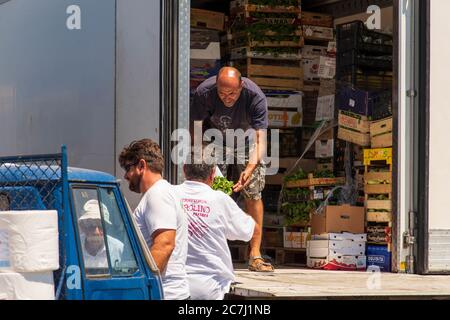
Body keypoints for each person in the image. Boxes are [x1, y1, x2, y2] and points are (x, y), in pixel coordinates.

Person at [190, 66, 273, 272]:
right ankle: (212, 251)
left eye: (232, 93)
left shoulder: (255, 97)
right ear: (215, 87)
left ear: (241, 86)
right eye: (222, 93)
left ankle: (255, 254)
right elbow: (196, 130)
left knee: (253, 193)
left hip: (246, 142)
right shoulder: (204, 93)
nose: (227, 98)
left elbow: (261, 140)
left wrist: (250, 168)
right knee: (214, 192)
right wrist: (203, 160)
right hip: (214, 140)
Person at [175, 152, 256, 300]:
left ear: (184, 170)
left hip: (174, 287)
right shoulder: (220, 199)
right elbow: (248, 231)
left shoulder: (169, 195)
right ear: (213, 174)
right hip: (212, 288)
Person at [119, 139, 190, 300]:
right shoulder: (160, 193)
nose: (125, 175)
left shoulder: (157, 195)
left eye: (127, 168)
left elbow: (165, 244)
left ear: (141, 166)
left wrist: (143, 287)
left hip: (164, 294)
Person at [78, 199, 124, 270]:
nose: (96, 232)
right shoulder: (74, 247)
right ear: (83, 227)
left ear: (106, 228)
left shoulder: (118, 248)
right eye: (91, 226)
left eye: (100, 226)